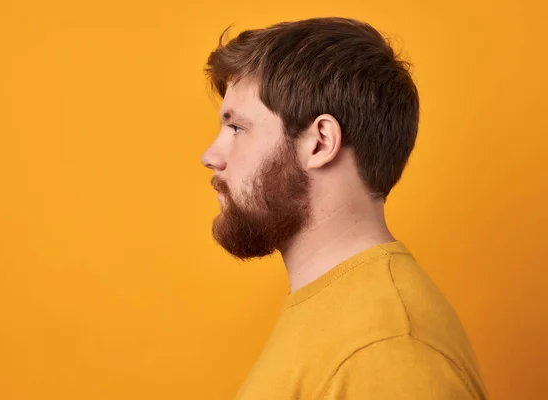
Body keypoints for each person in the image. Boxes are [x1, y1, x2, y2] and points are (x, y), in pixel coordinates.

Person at [200, 17, 488, 399]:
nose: (210, 156)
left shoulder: (387, 351)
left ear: (320, 143)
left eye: (237, 128)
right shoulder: (343, 317)